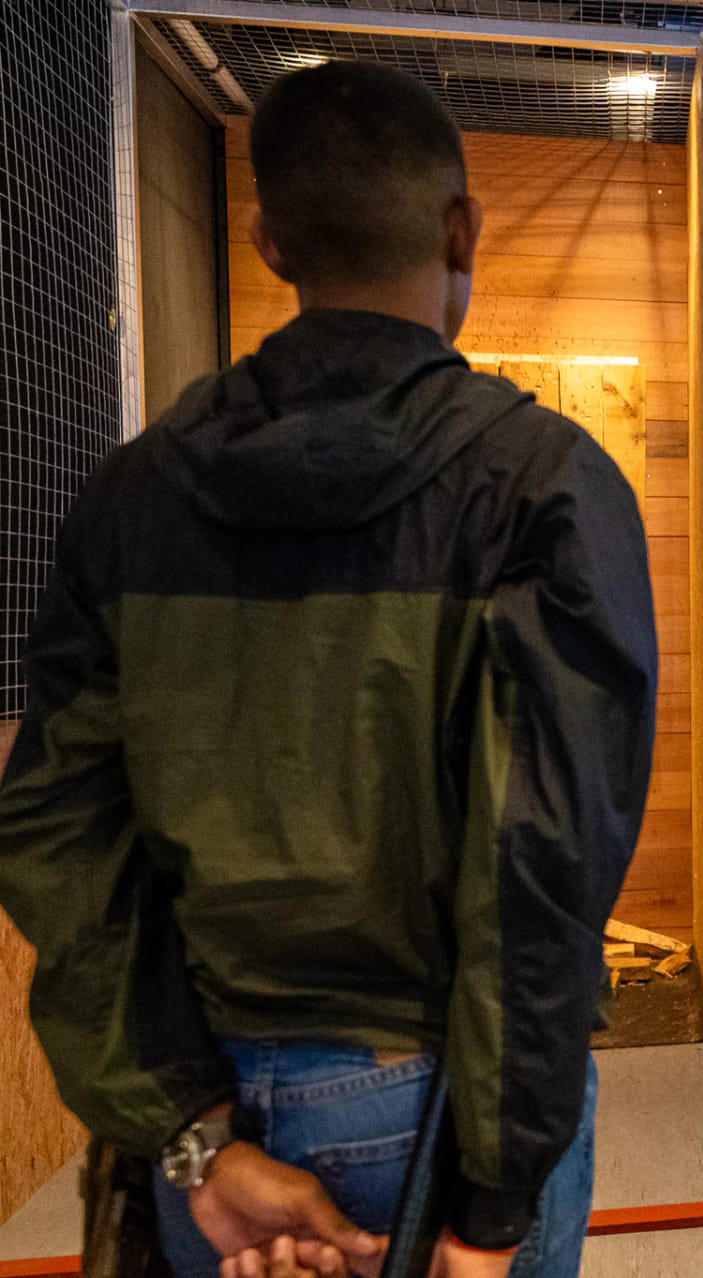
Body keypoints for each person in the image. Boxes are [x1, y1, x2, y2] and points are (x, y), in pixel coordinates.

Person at [0, 63, 657, 1278]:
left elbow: (61, 836)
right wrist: (493, 1206)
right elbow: (541, 859)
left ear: (264, 236)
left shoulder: (128, 499)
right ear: (464, 228)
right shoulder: (543, 488)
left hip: (214, 1104)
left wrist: (190, 1130)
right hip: (445, 1106)